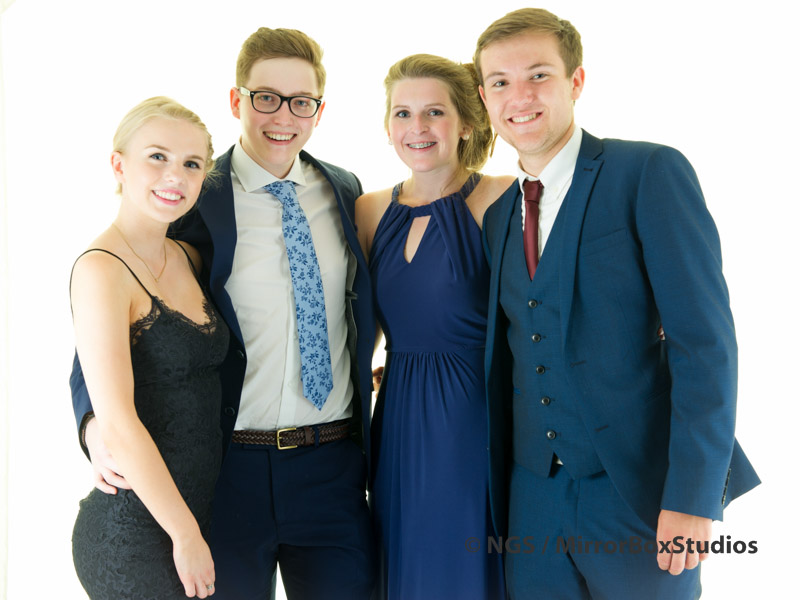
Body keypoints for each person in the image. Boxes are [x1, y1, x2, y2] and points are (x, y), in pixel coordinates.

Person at [70, 28, 377, 599]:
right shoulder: (193, 193)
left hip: (333, 463)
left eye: (301, 101)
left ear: (319, 111)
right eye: (266, 97)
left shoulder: (344, 189)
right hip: (230, 467)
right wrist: (94, 422)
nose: (282, 116)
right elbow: (119, 310)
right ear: (237, 101)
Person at [473, 8, 760, 599]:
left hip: (637, 492)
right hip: (531, 499)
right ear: (484, 97)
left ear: (576, 81)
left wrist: (693, 498)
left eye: (539, 75)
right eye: (500, 82)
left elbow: (704, 345)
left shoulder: (647, 171)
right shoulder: (498, 216)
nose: (519, 96)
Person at [355, 54, 512, 600]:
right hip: (397, 410)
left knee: (460, 558)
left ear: (466, 122)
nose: (416, 127)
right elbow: (363, 326)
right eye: (402, 113)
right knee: (403, 553)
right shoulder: (369, 209)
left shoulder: (501, 196)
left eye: (434, 112)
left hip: (471, 414)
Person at [70, 96, 228, 599]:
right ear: (119, 165)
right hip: (135, 532)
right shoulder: (100, 270)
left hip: (201, 518)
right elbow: (117, 422)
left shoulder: (188, 257)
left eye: (192, 163)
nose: (175, 176)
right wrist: (185, 536)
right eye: (157, 156)